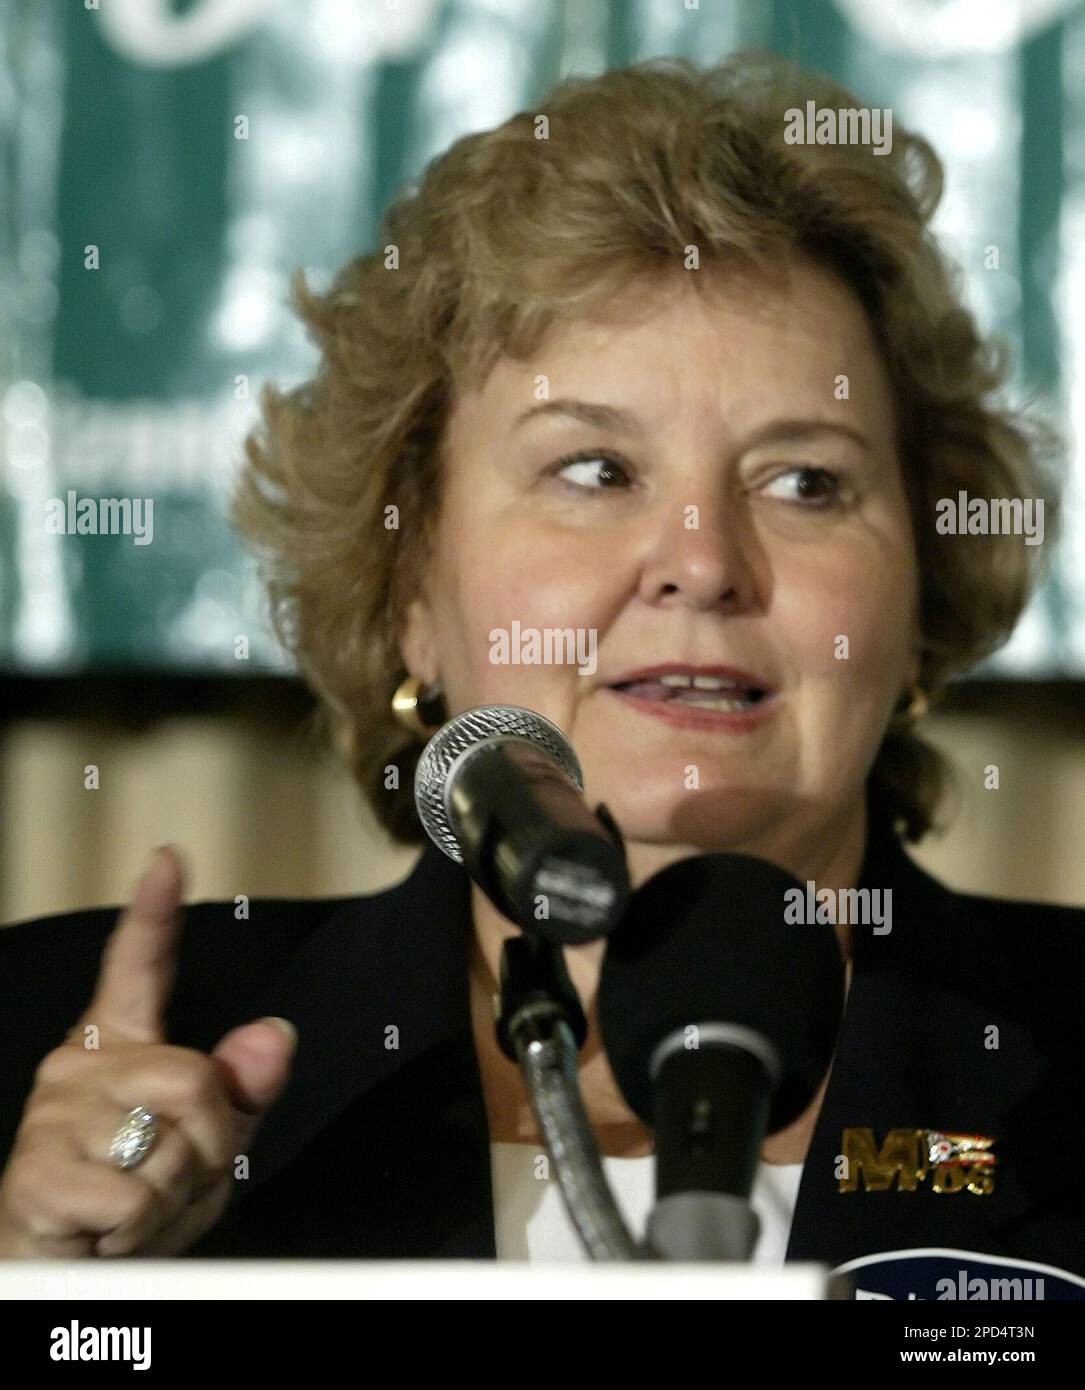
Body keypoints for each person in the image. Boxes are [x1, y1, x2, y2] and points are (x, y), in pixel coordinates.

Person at [1, 53, 1082, 1294]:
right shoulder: (56, 1046)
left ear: (917, 606)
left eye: (805, 481)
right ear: (410, 587)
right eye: (594, 470)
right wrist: (42, 1285)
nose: (701, 563)